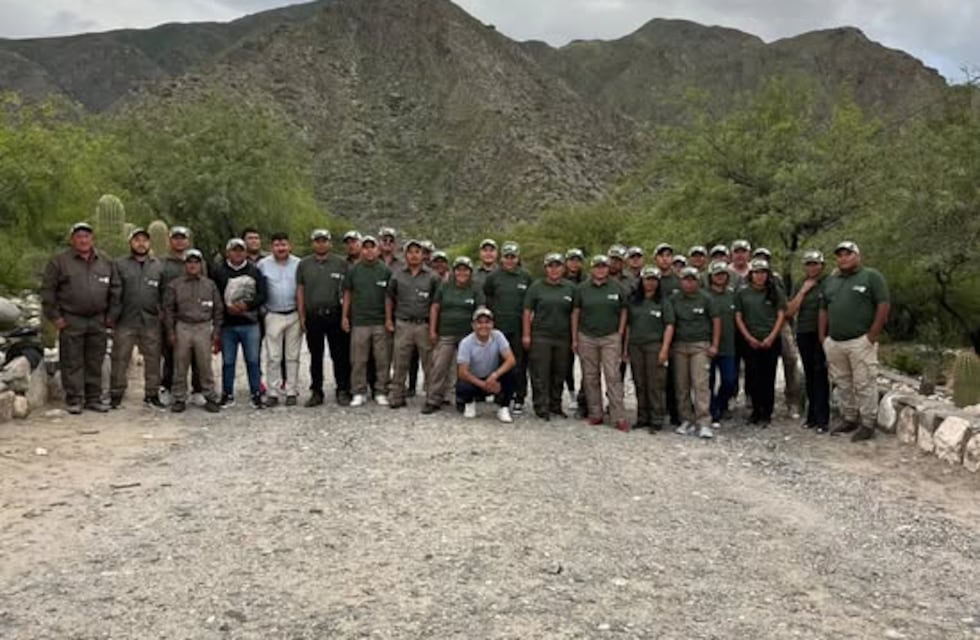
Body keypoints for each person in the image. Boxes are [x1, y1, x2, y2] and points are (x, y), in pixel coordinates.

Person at [41, 222, 120, 414]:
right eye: (79, 236)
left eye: (86, 236)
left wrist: (111, 315)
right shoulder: (60, 262)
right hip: (71, 318)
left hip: (98, 319)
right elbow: (48, 291)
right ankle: (75, 398)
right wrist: (55, 317)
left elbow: (116, 289)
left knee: (95, 359)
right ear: (72, 240)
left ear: (92, 239)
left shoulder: (106, 261)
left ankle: (93, 398)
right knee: (71, 360)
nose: (83, 240)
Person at [819, 241, 890, 442]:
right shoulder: (832, 281)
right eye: (840, 255)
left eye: (848, 254)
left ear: (857, 255)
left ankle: (868, 423)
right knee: (842, 382)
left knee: (864, 382)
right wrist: (823, 337)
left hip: (860, 341)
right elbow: (823, 308)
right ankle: (849, 417)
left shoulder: (871, 276)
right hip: (835, 341)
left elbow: (883, 304)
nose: (844, 258)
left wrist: (872, 335)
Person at [109, 227, 164, 409]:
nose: (141, 244)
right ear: (130, 243)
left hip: (151, 320)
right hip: (125, 319)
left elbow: (164, 294)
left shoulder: (158, 265)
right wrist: (112, 316)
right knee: (120, 358)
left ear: (150, 243)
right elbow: (114, 292)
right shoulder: (119, 264)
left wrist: (162, 314)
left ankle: (152, 394)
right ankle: (116, 394)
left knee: (153, 359)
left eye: (145, 240)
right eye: (137, 240)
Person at [572, 255, 629, 432]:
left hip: (610, 337)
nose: (600, 269)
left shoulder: (617, 287)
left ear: (608, 268)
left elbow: (624, 311)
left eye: (603, 266)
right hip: (587, 336)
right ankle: (595, 413)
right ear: (591, 269)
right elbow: (575, 313)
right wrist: (574, 337)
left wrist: (620, 333)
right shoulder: (582, 289)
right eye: (597, 266)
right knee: (590, 376)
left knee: (612, 375)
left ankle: (618, 415)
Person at [422, 257, 485, 414]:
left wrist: (480, 333)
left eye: (465, 270)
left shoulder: (476, 289)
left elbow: (481, 310)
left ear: (470, 272)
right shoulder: (444, 287)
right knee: (439, 366)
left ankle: (463, 399)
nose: (462, 273)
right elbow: (435, 308)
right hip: (446, 333)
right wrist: (432, 330)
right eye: (458, 269)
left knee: (465, 369)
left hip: (468, 336)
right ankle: (433, 399)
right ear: (454, 271)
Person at [162, 249, 221, 414]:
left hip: (203, 326)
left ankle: (209, 396)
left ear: (201, 264)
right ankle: (179, 397)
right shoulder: (175, 285)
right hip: (183, 326)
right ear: (185, 264)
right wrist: (171, 331)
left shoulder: (209, 285)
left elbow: (218, 309)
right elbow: (169, 310)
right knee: (180, 364)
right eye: (190, 262)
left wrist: (216, 330)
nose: (193, 265)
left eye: (196, 262)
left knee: (205, 365)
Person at [297, 229, 351, 407]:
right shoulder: (304, 264)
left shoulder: (341, 263)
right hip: (314, 316)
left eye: (324, 241)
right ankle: (316, 391)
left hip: (335, 314)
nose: (321, 244)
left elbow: (347, 291)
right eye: (317, 241)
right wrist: (302, 315)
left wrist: (344, 316)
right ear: (313, 243)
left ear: (330, 243)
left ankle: (342, 389)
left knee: (340, 355)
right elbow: (300, 291)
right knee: (315, 355)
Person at [212, 237, 267, 409]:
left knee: (253, 360)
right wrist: (226, 308)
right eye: (234, 250)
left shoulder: (254, 271)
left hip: (250, 323)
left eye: (241, 250)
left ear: (245, 252)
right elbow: (215, 294)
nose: (237, 253)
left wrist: (247, 305)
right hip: (228, 325)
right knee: (228, 361)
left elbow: (262, 294)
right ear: (228, 252)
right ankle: (227, 394)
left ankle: (256, 394)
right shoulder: (219, 271)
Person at [386, 239, 440, 409]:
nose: (414, 255)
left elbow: (436, 303)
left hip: (424, 324)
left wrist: (434, 328)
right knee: (400, 361)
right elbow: (389, 298)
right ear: (405, 254)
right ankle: (397, 395)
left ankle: (432, 398)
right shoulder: (397, 274)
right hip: (403, 323)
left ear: (422, 255)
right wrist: (388, 320)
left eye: (418, 252)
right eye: (410, 252)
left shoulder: (433, 276)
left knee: (429, 363)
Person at [668, 267, 721, 438]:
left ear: (698, 281)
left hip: (700, 346)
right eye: (685, 279)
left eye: (692, 279)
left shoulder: (706, 298)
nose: (689, 283)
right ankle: (686, 419)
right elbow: (670, 323)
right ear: (681, 281)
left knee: (701, 384)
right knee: (681, 385)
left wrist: (714, 345)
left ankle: (704, 422)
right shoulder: (674, 299)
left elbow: (716, 321)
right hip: (679, 346)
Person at [523, 252, 576, 421]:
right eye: (550, 266)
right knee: (540, 373)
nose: (554, 269)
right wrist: (526, 334)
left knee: (559, 372)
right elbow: (527, 312)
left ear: (563, 268)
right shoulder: (536, 287)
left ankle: (555, 405)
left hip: (563, 336)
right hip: (541, 335)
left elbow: (575, 313)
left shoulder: (570, 288)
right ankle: (541, 406)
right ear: (545, 268)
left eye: (557, 266)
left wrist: (574, 338)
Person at [734, 259, 786, 428]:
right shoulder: (742, 293)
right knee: (752, 377)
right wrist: (748, 338)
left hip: (770, 340)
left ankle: (766, 413)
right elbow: (738, 317)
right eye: (756, 272)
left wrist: (771, 337)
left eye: (763, 272)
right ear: (751, 274)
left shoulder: (775, 291)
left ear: (767, 274)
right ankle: (755, 411)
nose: (760, 276)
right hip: (750, 341)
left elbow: (780, 315)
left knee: (768, 377)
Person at [342, 235, 393, 407]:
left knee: (382, 359)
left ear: (378, 249)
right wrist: (344, 316)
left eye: (372, 247)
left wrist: (388, 319)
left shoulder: (385, 271)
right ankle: (359, 391)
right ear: (361, 249)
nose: (369, 251)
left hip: (379, 322)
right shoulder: (353, 270)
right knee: (358, 359)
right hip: (359, 322)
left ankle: (381, 391)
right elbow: (347, 294)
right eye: (365, 247)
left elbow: (389, 297)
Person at [159, 225, 206, 404]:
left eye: (183, 238)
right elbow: (158, 288)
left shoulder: (199, 260)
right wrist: (162, 311)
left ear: (188, 240)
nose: (179, 241)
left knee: (197, 356)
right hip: (171, 316)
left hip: (195, 315)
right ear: (170, 240)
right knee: (171, 354)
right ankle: (168, 387)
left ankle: (198, 389)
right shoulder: (162, 263)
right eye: (176, 238)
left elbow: (206, 285)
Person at [484, 241, 532, 413]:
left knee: (519, 364)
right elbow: (488, 298)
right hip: (499, 327)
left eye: (513, 257)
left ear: (518, 258)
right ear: (502, 258)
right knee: (498, 362)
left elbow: (530, 303)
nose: (510, 260)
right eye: (507, 257)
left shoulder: (526, 277)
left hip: (519, 327)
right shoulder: (493, 277)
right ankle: (500, 395)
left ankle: (519, 397)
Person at [625, 267, 674, 432]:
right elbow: (628, 326)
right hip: (635, 346)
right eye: (647, 279)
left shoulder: (663, 302)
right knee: (639, 382)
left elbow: (669, 326)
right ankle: (642, 417)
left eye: (654, 279)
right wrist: (625, 348)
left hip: (655, 345)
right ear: (641, 281)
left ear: (658, 282)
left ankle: (656, 418)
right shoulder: (634, 301)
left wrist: (665, 349)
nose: (650, 282)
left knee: (655, 383)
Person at [786, 250, 829, 432]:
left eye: (815, 264)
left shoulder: (828, 282)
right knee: (809, 374)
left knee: (821, 374)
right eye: (809, 264)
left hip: (822, 332)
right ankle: (811, 416)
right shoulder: (800, 283)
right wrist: (803, 291)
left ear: (822, 265)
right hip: (804, 332)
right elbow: (790, 311)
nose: (812, 267)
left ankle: (822, 418)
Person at [257, 232, 301, 407]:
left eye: (283, 244)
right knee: (273, 356)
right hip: (273, 314)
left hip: (294, 314)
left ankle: (291, 391)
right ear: (271, 247)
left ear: (289, 246)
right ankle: (273, 392)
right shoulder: (263, 265)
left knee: (293, 356)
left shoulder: (299, 264)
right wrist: (263, 311)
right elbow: (257, 288)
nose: (281, 248)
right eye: (277, 245)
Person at [456, 308, 517, 424]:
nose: (483, 326)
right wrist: (484, 385)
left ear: (492, 324)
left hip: (491, 378)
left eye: (487, 322)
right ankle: (469, 403)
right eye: (479, 323)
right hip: (475, 381)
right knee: (462, 384)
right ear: (473, 325)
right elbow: (462, 372)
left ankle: (503, 407)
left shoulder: (498, 336)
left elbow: (511, 360)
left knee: (513, 372)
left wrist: (495, 375)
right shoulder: (465, 342)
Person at [706, 261, 737, 429]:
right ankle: (713, 412)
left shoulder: (733, 295)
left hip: (729, 346)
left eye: (723, 274)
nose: (720, 277)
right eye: (717, 274)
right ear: (711, 276)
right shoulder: (704, 295)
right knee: (708, 382)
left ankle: (720, 404)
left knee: (729, 380)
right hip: (708, 346)